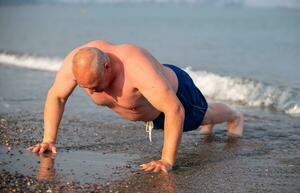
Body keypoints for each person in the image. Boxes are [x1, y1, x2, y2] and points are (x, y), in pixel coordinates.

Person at [27, 40, 244, 173]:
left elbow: (174, 109)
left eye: (94, 86)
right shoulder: (78, 61)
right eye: (86, 87)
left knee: (202, 117)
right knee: (194, 122)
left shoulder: (135, 67)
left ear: (107, 66)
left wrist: (167, 160)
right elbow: (57, 96)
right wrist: (49, 139)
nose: (91, 92)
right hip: (150, 107)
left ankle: (234, 115)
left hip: (177, 95)